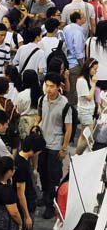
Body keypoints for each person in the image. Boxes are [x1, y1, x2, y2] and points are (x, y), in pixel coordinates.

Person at [37, 72, 72, 219]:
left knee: (53, 177)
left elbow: (69, 128)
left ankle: (51, 204)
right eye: (47, 86)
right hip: (42, 144)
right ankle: (45, 197)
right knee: (42, 172)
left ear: (59, 87)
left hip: (56, 145)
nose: (48, 89)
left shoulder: (65, 104)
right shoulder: (42, 99)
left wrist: (64, 148)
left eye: (52, 86)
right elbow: (39, 116)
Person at [76, 58, 99, 154]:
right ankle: (77, 154)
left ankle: (78, 157)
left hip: (88, 110)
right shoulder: (81, 80)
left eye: (96, 69)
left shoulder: (88, 78)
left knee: (83, 136)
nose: (95, 71)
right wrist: (93, 83)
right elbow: (89, 97)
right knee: (88, 137)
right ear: (88, 68)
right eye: (94, 69)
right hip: (85, 112)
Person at [15, 70, 42, 139]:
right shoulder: (41, 94)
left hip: (25, 122)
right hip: (38, 121)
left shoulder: (21, 95)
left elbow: (19, 110)